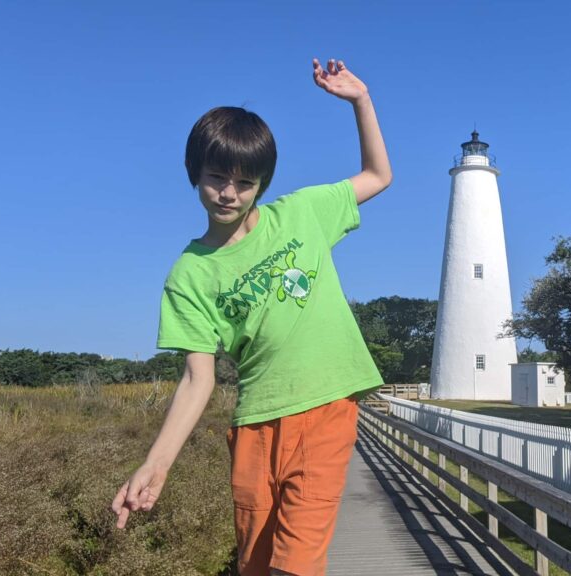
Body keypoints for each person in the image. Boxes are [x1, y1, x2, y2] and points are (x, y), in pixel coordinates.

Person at [110, 58, 392, 576]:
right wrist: (156, 464)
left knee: (296, 563)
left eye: (244, 182)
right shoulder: (189, 275)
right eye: (217, 177)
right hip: (254, 425)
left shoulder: (303, 212)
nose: (228, 192)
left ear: (261, 184)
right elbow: (198, 380)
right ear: (195, 173)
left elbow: (379, 175)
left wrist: (360, 100)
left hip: (326, 407)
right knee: (256, 566)